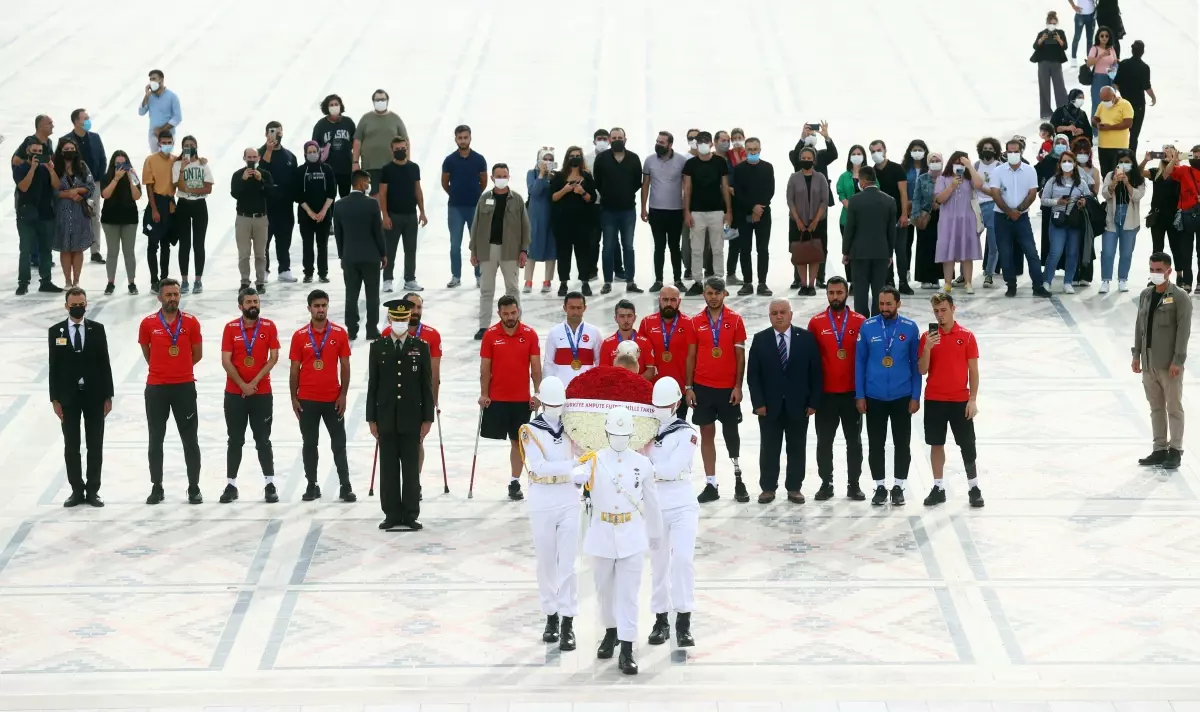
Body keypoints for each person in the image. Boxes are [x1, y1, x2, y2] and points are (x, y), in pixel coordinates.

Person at [571, 406, 663, 676]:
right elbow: (579, 476)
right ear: (608, 433)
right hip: (601, 532)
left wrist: (655, 534)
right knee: (604, 591)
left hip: (631, 533)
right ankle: (610, 631)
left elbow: (652, 501)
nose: (620, 438)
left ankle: (626, 648)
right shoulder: (596, 459)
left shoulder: (642, 463)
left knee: (629, 594)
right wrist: (577, 475)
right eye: (615, 433)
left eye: (624, 434)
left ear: (631, 434)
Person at [517, 376, 579, 651]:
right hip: (542, 498)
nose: (556, 408)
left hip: (567, 498)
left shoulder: (572, 428)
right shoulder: (529, 430)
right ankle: (550, 616)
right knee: (546, 563)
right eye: (551, 403)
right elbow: (539, 467)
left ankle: (567, 620)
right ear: (540, 400)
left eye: (559, 404)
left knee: (568, 563)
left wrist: (580, 471)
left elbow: (584, 460)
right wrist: (572, 466)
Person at [368, 299, 435, 531]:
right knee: (388, 469)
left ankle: (410, 513)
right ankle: (391, 513)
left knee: (410, 468)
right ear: (389, 319)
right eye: (395, 319)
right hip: (386, 417)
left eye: (403, 319)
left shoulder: (421, 346)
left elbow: (426, 385)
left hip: (411, 418)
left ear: (409, 320)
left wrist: (427, 418)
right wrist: (371, 419)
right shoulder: (378, 347)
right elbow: (373, 386)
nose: (399, 322)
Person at [747, 297, 822, 503]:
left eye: (783, 312)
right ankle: (768, 488)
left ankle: (794, 488)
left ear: (791, 314)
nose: (779, 316)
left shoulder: (806, 338)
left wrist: (813, 402)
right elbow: (753, 375)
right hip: (769, 407)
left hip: (799, 405)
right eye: (774, 313)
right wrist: (758, 404)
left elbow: (815, 372)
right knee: (769, 448)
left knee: (797, 448)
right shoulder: (760, 339)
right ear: (769, 316)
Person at [854, 288, 922, 507]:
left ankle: (899, 486)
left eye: (888, 304)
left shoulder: (910, 328)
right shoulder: (867, 326)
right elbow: (859, 362)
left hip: (902, 396)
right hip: (874, 397)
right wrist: (860, 395)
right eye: (881, 304)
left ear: (898, 304)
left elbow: (916, 364)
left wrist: (915, 395)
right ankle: (880, 486)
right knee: (876, 444)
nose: (884, 309)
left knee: (902, 444)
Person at [645, 377, 698, 648]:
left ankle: (684, 621)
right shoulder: (646, 431)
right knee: (659, 565)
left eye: (666, 404)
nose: (661, 409)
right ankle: (661, 620)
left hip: (682, 503)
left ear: (677, 403)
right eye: (657, 405)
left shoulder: (687, 433)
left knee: (683, 562)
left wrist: (646, 470)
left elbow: (671, 468)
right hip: (655, 504)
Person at [139, 279, 203, 505]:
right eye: (168, 295)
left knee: (190, 439)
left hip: (184, 387)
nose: (173, 299)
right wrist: (162, 369)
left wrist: (180, 370)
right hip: (156, 388)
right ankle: (157, 486)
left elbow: (197, 354)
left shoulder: (192, 322)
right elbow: (147, 352)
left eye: (176, 294)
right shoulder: (147, 323)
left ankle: (194, 487)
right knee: (156, 438)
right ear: (159, 297)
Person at [289, 290, 356, 503]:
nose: (320, 309)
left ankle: (345, 486)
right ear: (309, 308)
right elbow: (294, 370)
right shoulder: (299, 336)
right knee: (309, 444)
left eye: (324, 305)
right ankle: (312, 484)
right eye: (316, 305)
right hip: (307, 400)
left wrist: (343, 394)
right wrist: (294, 398)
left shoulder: (339, 333)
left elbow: (345, 365)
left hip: (332, 399)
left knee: (339, 444)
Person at [49, 287, 113, 507]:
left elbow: (105, 362)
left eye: (82, 304)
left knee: (95, 444)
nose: (79, 308)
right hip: (68, 398)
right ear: (67, 306)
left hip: (94, 396)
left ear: (87, 304)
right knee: (71, 445)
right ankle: (77, 489)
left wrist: (108, 395)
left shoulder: (97, 329)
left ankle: (93, 490)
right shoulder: (56, 331)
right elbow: (53, 367)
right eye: (74, 305)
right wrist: (55, 399)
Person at [917, 293, 983, 508]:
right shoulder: (928, 336)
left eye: (943, 310)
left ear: (953, 309)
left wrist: (972, 400)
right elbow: (922, 369)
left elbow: (973, 371)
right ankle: (938, 488)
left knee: (967, 444)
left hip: (959, 400)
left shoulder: (967, 336)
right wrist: (927, 348)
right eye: (936, 311)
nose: (939, 315)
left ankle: (973, 487)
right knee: (936, 443)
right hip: (935, 399)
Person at [687, 277, 748, 503]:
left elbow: (741, 356)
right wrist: (689, 387)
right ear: (704, 294)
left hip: (727, 389)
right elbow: (691, 355)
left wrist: (738, 386)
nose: (713, 297)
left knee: (731, 434)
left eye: (717, 293)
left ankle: (738, 478)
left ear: (725, 295)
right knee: (706, 434)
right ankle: (711, 483)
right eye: (710, 293)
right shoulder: (695, 322)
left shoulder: (735, 320)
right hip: (703, 388)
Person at [807, 278, 867, 500]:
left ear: (847, 292)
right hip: (826, 395)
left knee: (854, 441)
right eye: (831, 292)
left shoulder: (861, 321)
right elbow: (810, 362)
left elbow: (866, 358)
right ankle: (826, 483)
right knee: (824, 442)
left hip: (852, 394)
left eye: (839, 292)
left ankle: (854, 484)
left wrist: (863, 393)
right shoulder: (816, 322)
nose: (835, 297)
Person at [219, 288, 280, 504]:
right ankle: (231, 484)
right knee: (235, 439)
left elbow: (273, 357)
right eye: (249, 302)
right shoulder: (230, 328)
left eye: (256, 301)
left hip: (261, 393)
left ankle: (269, 483)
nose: (253, 305)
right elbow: (226, 360)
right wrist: (242, 385)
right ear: (240, 306)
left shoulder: (269, 327)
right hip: (235, 394)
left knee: (263, 440)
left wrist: (253, 383)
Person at [479, 295, 542, 501]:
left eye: (513, 312)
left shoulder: (530, 334)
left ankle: (514, 481)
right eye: (505, 314)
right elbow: (485, 368)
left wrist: (537, 393)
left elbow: (535, 368)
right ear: (499, 314)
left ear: (518, 311)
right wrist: (484, 394)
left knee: (518, 443)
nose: (510, 317)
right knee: (495, 439)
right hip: (496, 399)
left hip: (520, 401)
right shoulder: (490, 335)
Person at [1132, 252, 1190, 471]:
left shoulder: (1179, 297)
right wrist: (1136, 355)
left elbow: (1183, 332)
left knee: (1173, 407)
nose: (1155, 273)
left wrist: (1178, 360)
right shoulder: (1146, 295)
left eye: (1159, 270)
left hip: (1169, 364)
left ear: (1169, 271)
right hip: (1148, 363)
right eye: (1152, 269)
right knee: (1155, 407)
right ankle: (1159, 449)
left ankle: (1175, 450)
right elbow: (1139, 327)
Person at [380, 292, 443, 476]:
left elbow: (434, 373)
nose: (415, 311)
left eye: (419, 307)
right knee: (392, 444)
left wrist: (432, 404)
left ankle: (414, 481)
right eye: (412, 307)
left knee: (417, 442)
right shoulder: (387, 334)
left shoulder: (432, 335)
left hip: (418, 400)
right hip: (393, 400)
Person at [471, 164, 530, 339]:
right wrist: (474, 250)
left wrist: (524, 250)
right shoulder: (484, 199)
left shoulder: (517, 199)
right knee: (486, 289)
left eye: (504, 175)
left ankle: (517, 323)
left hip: (510, 251)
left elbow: (525, 227)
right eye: (498, 175)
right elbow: (476, 225)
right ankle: (483, 327)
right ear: (492, 178)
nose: (501, 178)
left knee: (512, 289)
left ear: (509, 177)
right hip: (487, 250)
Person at [991, 140, 1050, 297]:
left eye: (1015, 151)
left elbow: (1032, 193)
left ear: (1021, 152)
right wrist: (1009, 211)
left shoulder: (1030, 170)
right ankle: (1011, 285)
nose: (1012, 154)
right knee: (1005, 252)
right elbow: (995, 194)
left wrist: (1018, 210)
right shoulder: (998, 171)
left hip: (1022, 217)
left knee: (1031, 251)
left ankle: (1038, 285)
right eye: (1009, 152)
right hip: (1001, 217)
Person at [333, 170, 387, 341]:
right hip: (370, 257)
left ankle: (351, 329)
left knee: (351, 294)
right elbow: (378, 232)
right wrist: (383, 253)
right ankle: (372, 329)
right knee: (372, 295)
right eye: (368, 181)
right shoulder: (371, 204)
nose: (369, 184)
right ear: (361, 182)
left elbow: (338, 235)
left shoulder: (339, 205)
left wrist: (343, 255)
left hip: (350, 257)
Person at [594, 127, 644, 294]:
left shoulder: (634, 158)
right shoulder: (601, 159)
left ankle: (630, 281)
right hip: (608, 210)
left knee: (628, 246)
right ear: (609, 140)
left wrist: (625, 193)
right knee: (608, 246)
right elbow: (597, 182)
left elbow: (638, 182)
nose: (617, 140)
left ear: (625, 139)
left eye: (619, 137)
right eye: (613, 137)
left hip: (628, 210)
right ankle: (607, 281)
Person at [842, 166, 898, 316]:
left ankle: (861, 321)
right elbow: (891, 231)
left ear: (863, 180)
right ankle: (877, 321)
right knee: (879, 290)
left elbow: (850, 228)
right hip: (881, 253)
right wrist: (890, 253)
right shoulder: (889, 201)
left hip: (859, 253)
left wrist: (845, 251)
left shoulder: (855, 200)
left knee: (860, 290)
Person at [683, 132, 732, 295]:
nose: (703, 144)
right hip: (696, 212)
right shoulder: (690, 164)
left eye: (706, 141)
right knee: (696, 249)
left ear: (711, 144)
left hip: (717, 211)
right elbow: (687, 189)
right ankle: (697, 282)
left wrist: (728, 210)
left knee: (718, 248)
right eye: (700, 142)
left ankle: (719, 281)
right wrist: (687, 212)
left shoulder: (720, 162)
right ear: (696, 144)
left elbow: (725, 187)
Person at [638, 286, 696, 420]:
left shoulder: (689, 324)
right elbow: (641, 359)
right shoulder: (647, 323)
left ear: (679, 302)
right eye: (665, 300)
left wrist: (689, 388)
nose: (669, 304)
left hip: (678, 391)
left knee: (676, 432)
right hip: (652, 391)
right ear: (659, 300)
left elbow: (692, 358)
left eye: (673, 300)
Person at [378, 136, 426, 292]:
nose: (400, 151)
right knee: (389, 249)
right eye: (397, 149)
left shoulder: (414, 168)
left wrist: (422, 212)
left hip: (411, 215)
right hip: (393, 215)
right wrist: (384, 215)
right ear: (392, 150)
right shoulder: (387, 169)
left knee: (410, 249)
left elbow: (417, 190)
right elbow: (382, 193)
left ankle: (410, 279)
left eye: (403, 148)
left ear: (407, 148)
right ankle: (387, 279)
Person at [13, 140, 62, 295]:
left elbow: (57, 185)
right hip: (26, 216)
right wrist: (33, 168)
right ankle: (23, 282)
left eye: (40, 152)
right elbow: (23, 187)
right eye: (34, 151)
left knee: (46, 250)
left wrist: (52, 170)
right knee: (25, 250)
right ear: (28, 151)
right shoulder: (20, 168)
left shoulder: (46, 169)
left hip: (46, 215)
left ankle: (46, 281)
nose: (37, 154)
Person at [642, 131, 689, 292]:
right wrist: (643, 208)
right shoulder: (649, 161)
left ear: (670, 145)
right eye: (657, 141)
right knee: (659, 246)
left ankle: (678, 279)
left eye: (662, 142)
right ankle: (658, 280)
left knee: (675, 246)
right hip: (656, 211)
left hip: (676, 210)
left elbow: (686, 186)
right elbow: (645, 184)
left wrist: (686, 209)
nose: (658, 144)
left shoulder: (681, 161)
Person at [728, 137, 775, 296]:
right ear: (745, 151)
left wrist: (759, 208)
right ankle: (747, 282)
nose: (753, 152)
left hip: (763, 213)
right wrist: (752, 208)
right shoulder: (739, 169)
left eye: (755, 149)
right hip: (744, 214)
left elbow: (770, 191)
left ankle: (762, 283)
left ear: (760, 150)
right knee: (745, 249)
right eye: (750, 150)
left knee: (763, 249)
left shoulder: (768, 167)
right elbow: (738, 192)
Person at [442, 124, 487, 287]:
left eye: (465, 137)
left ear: (470, 137)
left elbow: (483, 181)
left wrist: (474, 194)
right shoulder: (449, 160)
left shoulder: (479, 159)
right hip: (455, 208)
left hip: (474, 207)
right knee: (455, 244)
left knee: (477, 243)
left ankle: (479, 275)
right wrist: (455, 193)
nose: (463, 140)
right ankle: (456, 276)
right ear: (455, 139)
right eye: (460, 138)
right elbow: (445, 182)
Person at [1039, 150, 1089, 293]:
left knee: (1072, 252)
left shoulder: (1081, 182)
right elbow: (1043, 199)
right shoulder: (1053, 181)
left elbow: (1089, 198)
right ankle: (1047, 280)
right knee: (1055, 252)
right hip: (1058, 221)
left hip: (1075, 222)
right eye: (1064, 161)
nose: (1067, 164)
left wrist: (1083, 201)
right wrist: (1057, 201)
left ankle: (1068, 281)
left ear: (1075, 164)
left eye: (1070, 161)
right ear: (1060, 164)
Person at [550, 146, 598, 296]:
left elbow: (592, 198)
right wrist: (565, 190)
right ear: (567, 158)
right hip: (562, 224)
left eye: (578, 155)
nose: (575, 158)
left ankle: (585, 282)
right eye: (572, 155)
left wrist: (582, 192)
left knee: (583, 253)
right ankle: (563, 283)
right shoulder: (559, 176)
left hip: (583, 223)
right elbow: (552, 197)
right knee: (563, 254)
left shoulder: (587, 176)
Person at [934, 153, 984, 292]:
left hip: (967, 219)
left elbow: (979, 184)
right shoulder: (942, 178)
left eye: (962, 164)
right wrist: (952, 186)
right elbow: (939, 199)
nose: (959, 166)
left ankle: (968, 282)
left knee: (967, 251)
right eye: (956, 163)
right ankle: (947, 283)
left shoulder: (969, 179)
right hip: (948, 220)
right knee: (947, 251)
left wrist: (969, 166)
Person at [1099, 149, 1146, 292]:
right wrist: (1114, 182)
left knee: (1126, 253)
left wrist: (1127, 184)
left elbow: (1138, 196)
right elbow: (1105, 194)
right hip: (1111, 219)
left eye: (1127, 162)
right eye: (1121, 162)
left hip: (1130, 219)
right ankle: (1105, 280)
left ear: (1132, 163)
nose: (1124, 164)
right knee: (1107, 252)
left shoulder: (1138, 178)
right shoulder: (1110, 175)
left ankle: (1122, 279)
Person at [52, 138, 96, 289]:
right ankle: (67, 281)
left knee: (77, 248)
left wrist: (77, 191)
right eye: (66, 149)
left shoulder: (82, 167)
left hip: (79, 213)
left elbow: (90, 187)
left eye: (72, 149)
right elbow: (52, 191)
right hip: (62, 213)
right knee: (65, 248)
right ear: (61, 151)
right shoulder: (56, 167)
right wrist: (68, 194)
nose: (69, 151)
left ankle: (76, 280)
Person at [868, 140, 911, 293]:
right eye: (873, 151)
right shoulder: (872, 172)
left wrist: (904, 214)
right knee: (885, 252)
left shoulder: (896, 168)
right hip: (880, 220)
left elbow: (903, 193)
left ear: (885, 150)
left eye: (878, 150)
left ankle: (904, 282)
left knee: (901, 250)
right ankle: (889, 281)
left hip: (898, 217)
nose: (876, 153)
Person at [172, 136, 213, 294]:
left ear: (196, 146)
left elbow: (208, 188)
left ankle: (198, 280)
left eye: (192, 145)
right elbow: (179, 186)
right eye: (186, 146)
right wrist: (182, 168)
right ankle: (184, 280)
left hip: (200, 206)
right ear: (182, 148)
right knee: (184, 244)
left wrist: (191, 190)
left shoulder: (202, 164)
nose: (189, 147)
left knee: (199, 243)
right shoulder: (177, 165)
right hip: (183, 205)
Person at [787, 146, 830, 296]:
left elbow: (825, 201)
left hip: (818, 222)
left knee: (814, 253)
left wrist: (815, 221)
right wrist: (798, 220)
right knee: (800, 253)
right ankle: (803, 284)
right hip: (796, 222)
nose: (806, 161)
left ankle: (811, 284)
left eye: (809, 158)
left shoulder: (821, 177)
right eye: (803, 158)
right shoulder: (793, 177)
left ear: (814, 160)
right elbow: (790, 200)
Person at [1145, 148, 1189, 291]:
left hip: (1174, 216)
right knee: (1157, 247)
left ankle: (1180, 275)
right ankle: (1155, 277)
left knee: (1177, 247)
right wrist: (1145, 160)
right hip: (1158, 216)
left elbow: (1170, 173)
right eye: (1165, 152)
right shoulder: (1156, 172)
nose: (1167, 155)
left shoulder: (1179, 173)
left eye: (1170, 153)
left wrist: (1175, 160)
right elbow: (1140, 173)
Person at [258, 122, 298, 282]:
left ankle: (284, 269)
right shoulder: (259, 153)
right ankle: (264, 270)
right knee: (264, 241)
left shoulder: (289, 156)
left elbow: (295, 179)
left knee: (284, 239)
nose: (276, 135)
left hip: (286, 206)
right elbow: (260, 171)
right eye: (272, 132)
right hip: (266, 206)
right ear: (266, 134)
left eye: (279, 132)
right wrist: (268, 150)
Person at [67, 108, 106, 265]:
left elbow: (102, 159)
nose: (88, 121)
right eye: (85, 118)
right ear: (76, 121)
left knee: (94, 216)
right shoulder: (67, 140)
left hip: (94, 183)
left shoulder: (95, 138)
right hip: (75, 184)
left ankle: (95, 250)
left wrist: (101, 181)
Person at [99, 152, 142, 295]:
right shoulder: (107, 177)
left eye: (124, 164)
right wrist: (116, 179)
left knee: (129, 252)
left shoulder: (133, 176)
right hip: (110, 219)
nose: (121, 167)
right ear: (113, 164)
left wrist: (130, 178)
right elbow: (105, 194)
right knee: (112, 252)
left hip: (129, 218)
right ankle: (110, 282)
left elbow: (137, 196)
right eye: (118, 164)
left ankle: (131, 282)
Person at [352, 89, 408, 196]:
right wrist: (355, 163)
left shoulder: (395, 119)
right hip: (370, 166)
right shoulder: (365, 119)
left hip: (392, 165)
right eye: (377, 100)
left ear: (387, 101)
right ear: (373, 102)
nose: (380, 102)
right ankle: (376, 213)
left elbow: (406, 141)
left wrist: (407, 161)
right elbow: (357, 141)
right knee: (373, 197)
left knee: (392, 195)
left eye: (383, 99)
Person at [142, 130, 178, 292]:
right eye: (163, 142)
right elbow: (149, 186)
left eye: (169, 142)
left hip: (170, 203)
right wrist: (154, 209)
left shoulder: (175, 160)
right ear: (158, 143)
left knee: (166, 244)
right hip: (156, 201)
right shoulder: (150, 160)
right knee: (152, 244)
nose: (166, 145)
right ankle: (153, 279)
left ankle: (164, 277)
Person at [297, 140, 338, 285]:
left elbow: (332, 192)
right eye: (310, 152)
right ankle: (308, 273)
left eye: (315, 151)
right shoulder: (301, 170)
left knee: (322, 245)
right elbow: (298, 195)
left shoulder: (326, 169)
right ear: (305, 154)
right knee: (307, 245)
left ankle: (323, 273)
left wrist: (323, 212)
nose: (312, 154)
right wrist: (310, 212)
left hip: (324, 215)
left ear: (319, 153)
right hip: (305, 215)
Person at [232, 148, 273, 293]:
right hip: (243, 218)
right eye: (249, 157)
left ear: (259, 158)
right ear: (244, 158)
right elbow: (235, 194)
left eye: (254, 157)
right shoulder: (238, 175)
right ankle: (244, 281)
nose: (252, 159)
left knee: (260, 253)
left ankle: (260, 281)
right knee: (244, 253)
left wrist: (260, 179)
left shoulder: (265, 174)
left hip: (261, 218)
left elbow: (271, 193)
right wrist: (243, 180)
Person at [543, 291, 603, 387]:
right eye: (572, 308)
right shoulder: (554, 332)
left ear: (585, 308)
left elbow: (599, 362)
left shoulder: (594, 332)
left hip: (586, 388)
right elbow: (548, 363)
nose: (575, 312)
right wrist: (546, 388)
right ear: (564, 308)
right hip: (561, 389)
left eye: (579, 308)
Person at [524, 147, 557, 294]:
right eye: (545, 159)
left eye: (550, 160)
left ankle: (547, 280)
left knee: (551, 248)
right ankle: (528, 280)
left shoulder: (556, 176)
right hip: (536, 215)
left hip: (551, 215)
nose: (547, 162)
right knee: (532, 246)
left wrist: (550, 177)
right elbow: (534, 191)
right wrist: (542, 175)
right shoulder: (532, 174)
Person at [311, 94, 356, 200]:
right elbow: (313, 146)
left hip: (346, 167)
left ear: (340, 106)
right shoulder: (321, 125)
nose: (334, 106)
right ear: (327, 107)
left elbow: (356, 142)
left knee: (346, 198)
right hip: (328, 169)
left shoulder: (348, 122)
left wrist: (355, 162)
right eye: (331, 104)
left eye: (336, 104)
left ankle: (344, 217)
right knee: (328, 198)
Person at [1114, 41, 1155, 156]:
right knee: (1134, 134)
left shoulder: (1123, 64)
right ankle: (1131, 157)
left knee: (1122, 131)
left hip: (1124, 103)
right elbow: (1147, 86)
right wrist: (1153, 97)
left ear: (1132, 50)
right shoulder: (1144, 67)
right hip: (1138, 104)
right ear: (1142, 52)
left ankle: (1119, 156)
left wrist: (1120, 94)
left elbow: (1116, 82)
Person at [974, 138, 1005, 287]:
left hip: (994, 207)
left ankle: (989, 274)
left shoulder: (1000, 166)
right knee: (970, 242)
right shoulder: (975, 166)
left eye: (991, 149)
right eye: (985, 148)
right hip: (977, 208)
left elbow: (1001, 191)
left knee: (994, 245)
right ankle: (963, 274)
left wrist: (983, 189)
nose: (988, 151)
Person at [599, 300, 655, 379]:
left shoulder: (645, 342)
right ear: (616, 319)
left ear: (635, 318)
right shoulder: (607, 344)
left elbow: (650, 371)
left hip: (639, 389)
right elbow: (603, 372)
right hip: (616, 389)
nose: (626, 320)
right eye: (622, 316)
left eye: (629, 316)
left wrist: (633, 384)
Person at [910, 151, 941, 289]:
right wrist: (916, 216)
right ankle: (924, 278)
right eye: (932, 161)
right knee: (924, 246)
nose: (935, 163)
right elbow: (916, 198)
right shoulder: (922, 178)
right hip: (925, 215)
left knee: (939, 246)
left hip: (942, 216)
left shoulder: (946, 178)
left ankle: (936, 277)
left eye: (937, 160)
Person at [1033, 12, 1070, 119]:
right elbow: (1035, 46)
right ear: (1047, 22)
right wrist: (1042, 39)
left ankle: (1063, 110)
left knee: (1060, 87)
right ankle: (1045, 112)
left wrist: (1059, 39)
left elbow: (1065, 46)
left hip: (1056, 62)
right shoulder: (1042, 33)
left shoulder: (1060, 33)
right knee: (1044, 87)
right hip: (1043, 63)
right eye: (1050, 23)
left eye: (1054, 23)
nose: (1052, 25)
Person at [137, 69, 182, 153]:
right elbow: (141, 112)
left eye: (154, 79)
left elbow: (177, 118)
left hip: (168, 136)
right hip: (153, 135)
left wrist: (161, 130)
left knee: (166, 160)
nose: (151, 81)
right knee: (155, 160)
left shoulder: (172, 97)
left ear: (161, 80)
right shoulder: (150, 97)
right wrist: (146, 96)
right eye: (150, 79)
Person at [1093, 86, 1134, 175]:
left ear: (1114, 96)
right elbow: (1094, 119)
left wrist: (1110, 127)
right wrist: (1097, 125)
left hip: (1119, 146)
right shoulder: (1102, 105)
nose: (1106, 103)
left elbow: (1128, 123)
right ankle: (1107, 189)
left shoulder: (1125, 104)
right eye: (1103, 100)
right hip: (1103, 146)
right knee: (1105, 174)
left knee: (1119, 174)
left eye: (1107, 100)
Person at [1086, 27, 1119, 119]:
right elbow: (1089, 63)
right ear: (1098, 37)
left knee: (1110, 104)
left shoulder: (1111, 49)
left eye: (1106, 36)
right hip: (1098, 79)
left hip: (1110, 78)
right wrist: (1101, 56)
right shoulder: (1094, 49)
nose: (1104, 38)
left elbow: (1115, 62)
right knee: (1097, 104)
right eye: (1102, 36)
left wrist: (1114, 68)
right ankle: (1095, 131)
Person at [1069, 0, 1096, 64]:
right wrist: (1073, 6)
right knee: (1077, 37)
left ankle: (1089, 59)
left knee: (1090, 39)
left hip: (1091, 15)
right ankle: (1073, 58)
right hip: (1080, 15)